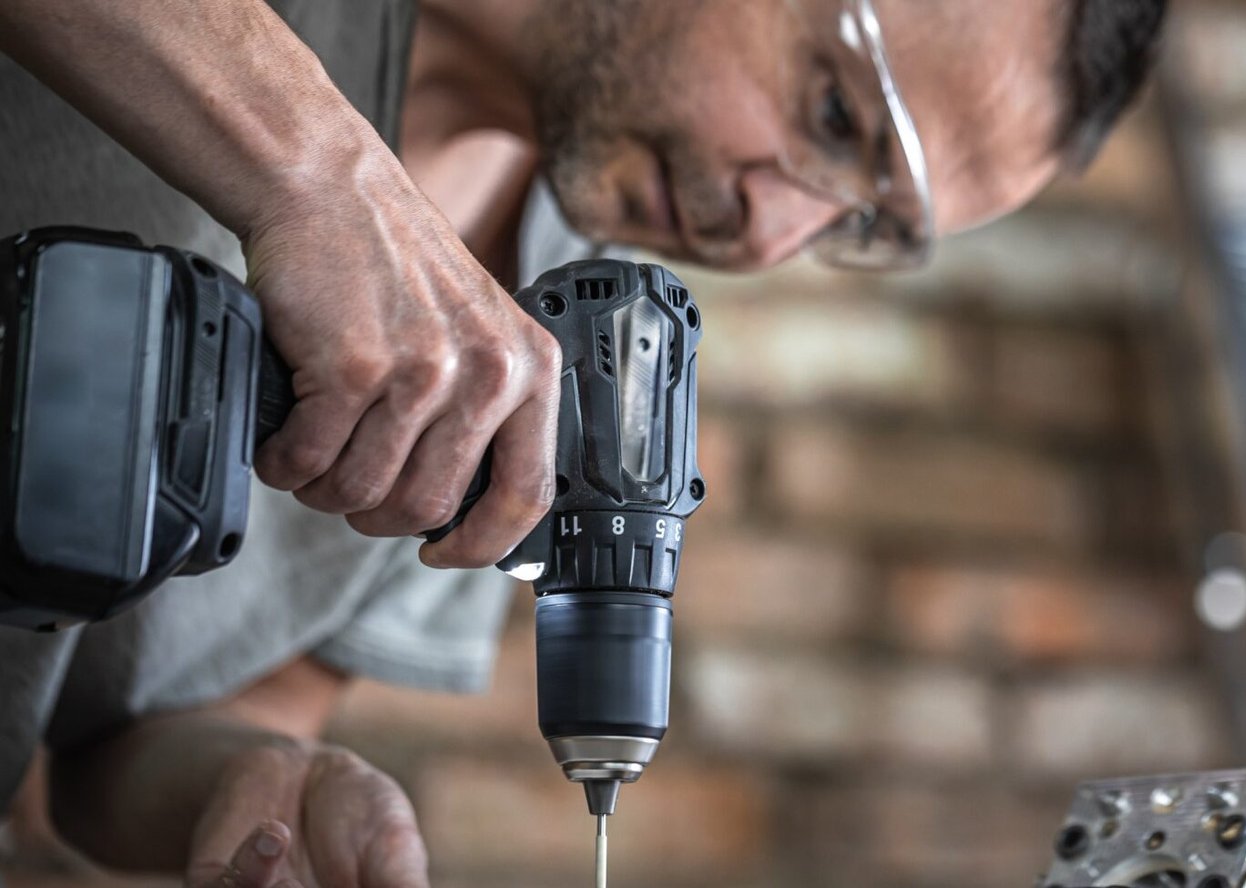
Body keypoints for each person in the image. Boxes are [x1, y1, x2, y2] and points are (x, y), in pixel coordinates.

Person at [0, 0, 1166, 885]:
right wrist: (315, 172)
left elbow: (115, 744)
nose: (770, 230)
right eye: (831, 115)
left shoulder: (563, 336)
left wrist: (262, 785)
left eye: (859, 216)